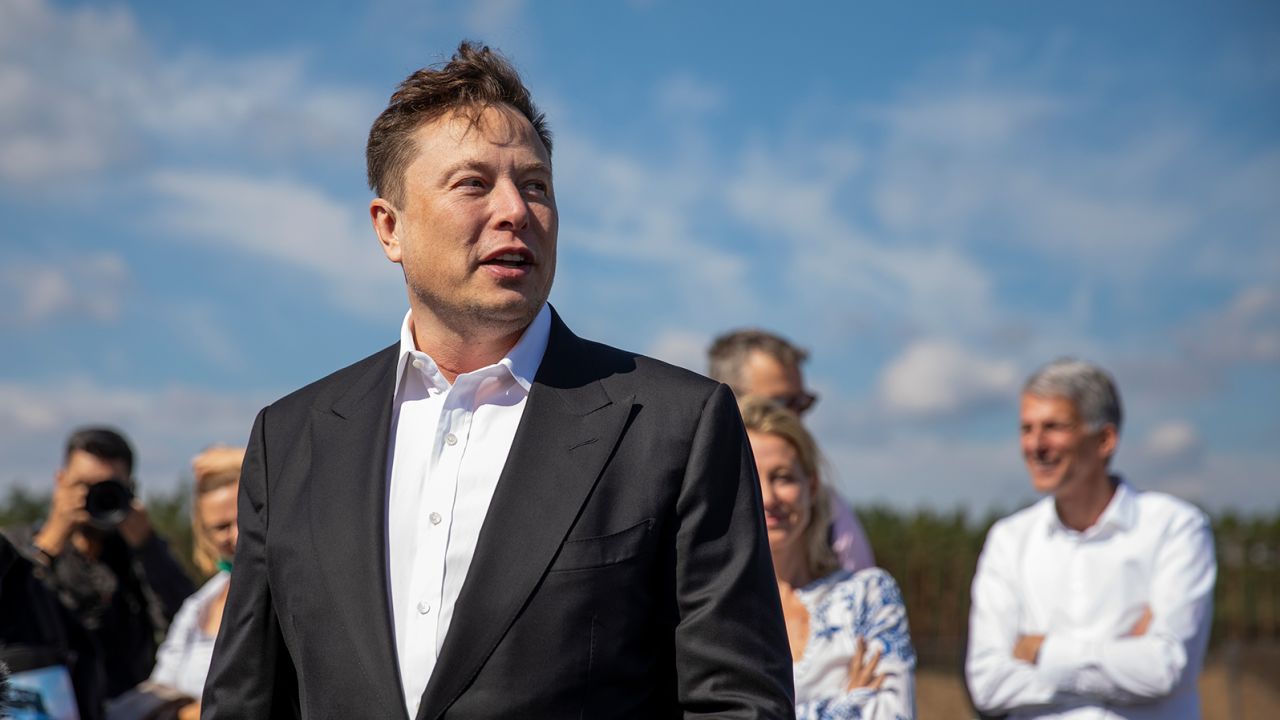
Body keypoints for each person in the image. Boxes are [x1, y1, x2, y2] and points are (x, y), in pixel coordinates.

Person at [203, 41, 794, 719]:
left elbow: (737, 704)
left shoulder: (675, 425)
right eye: (474, 183)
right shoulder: (291, 439)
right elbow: (244, 702)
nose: (516, 208)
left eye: (535, 184)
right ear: (389, 228)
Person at [965, 359, 1216, 719]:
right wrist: (1121, 660)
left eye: (1053, 427)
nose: (1035, 444)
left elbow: (1165, 668)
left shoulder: (1176, 529)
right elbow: (987, 683)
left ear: (1104, 439)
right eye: (1026, 428)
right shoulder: (1008, 540)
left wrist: (1042, 652)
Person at [740, 396, 915, 719]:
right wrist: (846, 704)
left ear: (812, 484)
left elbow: (893, 714)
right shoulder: (715, 610)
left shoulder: (868, 596)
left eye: (783, 477)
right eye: (750, 477)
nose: (767, 497)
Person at [4, 427, 194, 700]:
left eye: (109, 487)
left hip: (128, 707)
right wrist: (48, 545)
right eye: (84, 486)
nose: (95, 497)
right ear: (60, 481)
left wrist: (148, 548)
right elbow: (11, 611)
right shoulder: (17, 547)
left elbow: (186, 619)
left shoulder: (137, 554)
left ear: (130, 490)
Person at [710, 328, 875, 571]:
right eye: (778, 403)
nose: (795, 417)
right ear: (725, 400)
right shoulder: (684, 497)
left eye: (802, 402)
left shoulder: (829, 512)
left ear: (812, 484)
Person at [148, 446, 244, 719]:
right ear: (203, 531)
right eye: (222, 527)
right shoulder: (199, 604)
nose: (237, 536)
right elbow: (161, 685)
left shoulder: (286, 591)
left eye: (244, 519)